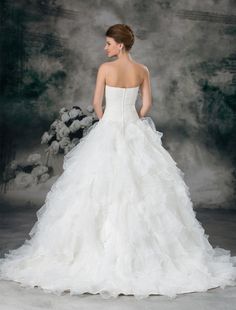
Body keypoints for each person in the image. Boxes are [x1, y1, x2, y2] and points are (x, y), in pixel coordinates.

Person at [0, 23, 236, 300]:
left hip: (109, 129)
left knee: (97, 191)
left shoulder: (105, 69)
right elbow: (146, 105)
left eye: (109, 43)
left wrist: (108, 121)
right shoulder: (142, 70)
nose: (105, 47)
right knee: (142, 192)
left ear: (120, 45)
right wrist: (133, 118)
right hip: (135, 130)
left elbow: (97, 104)